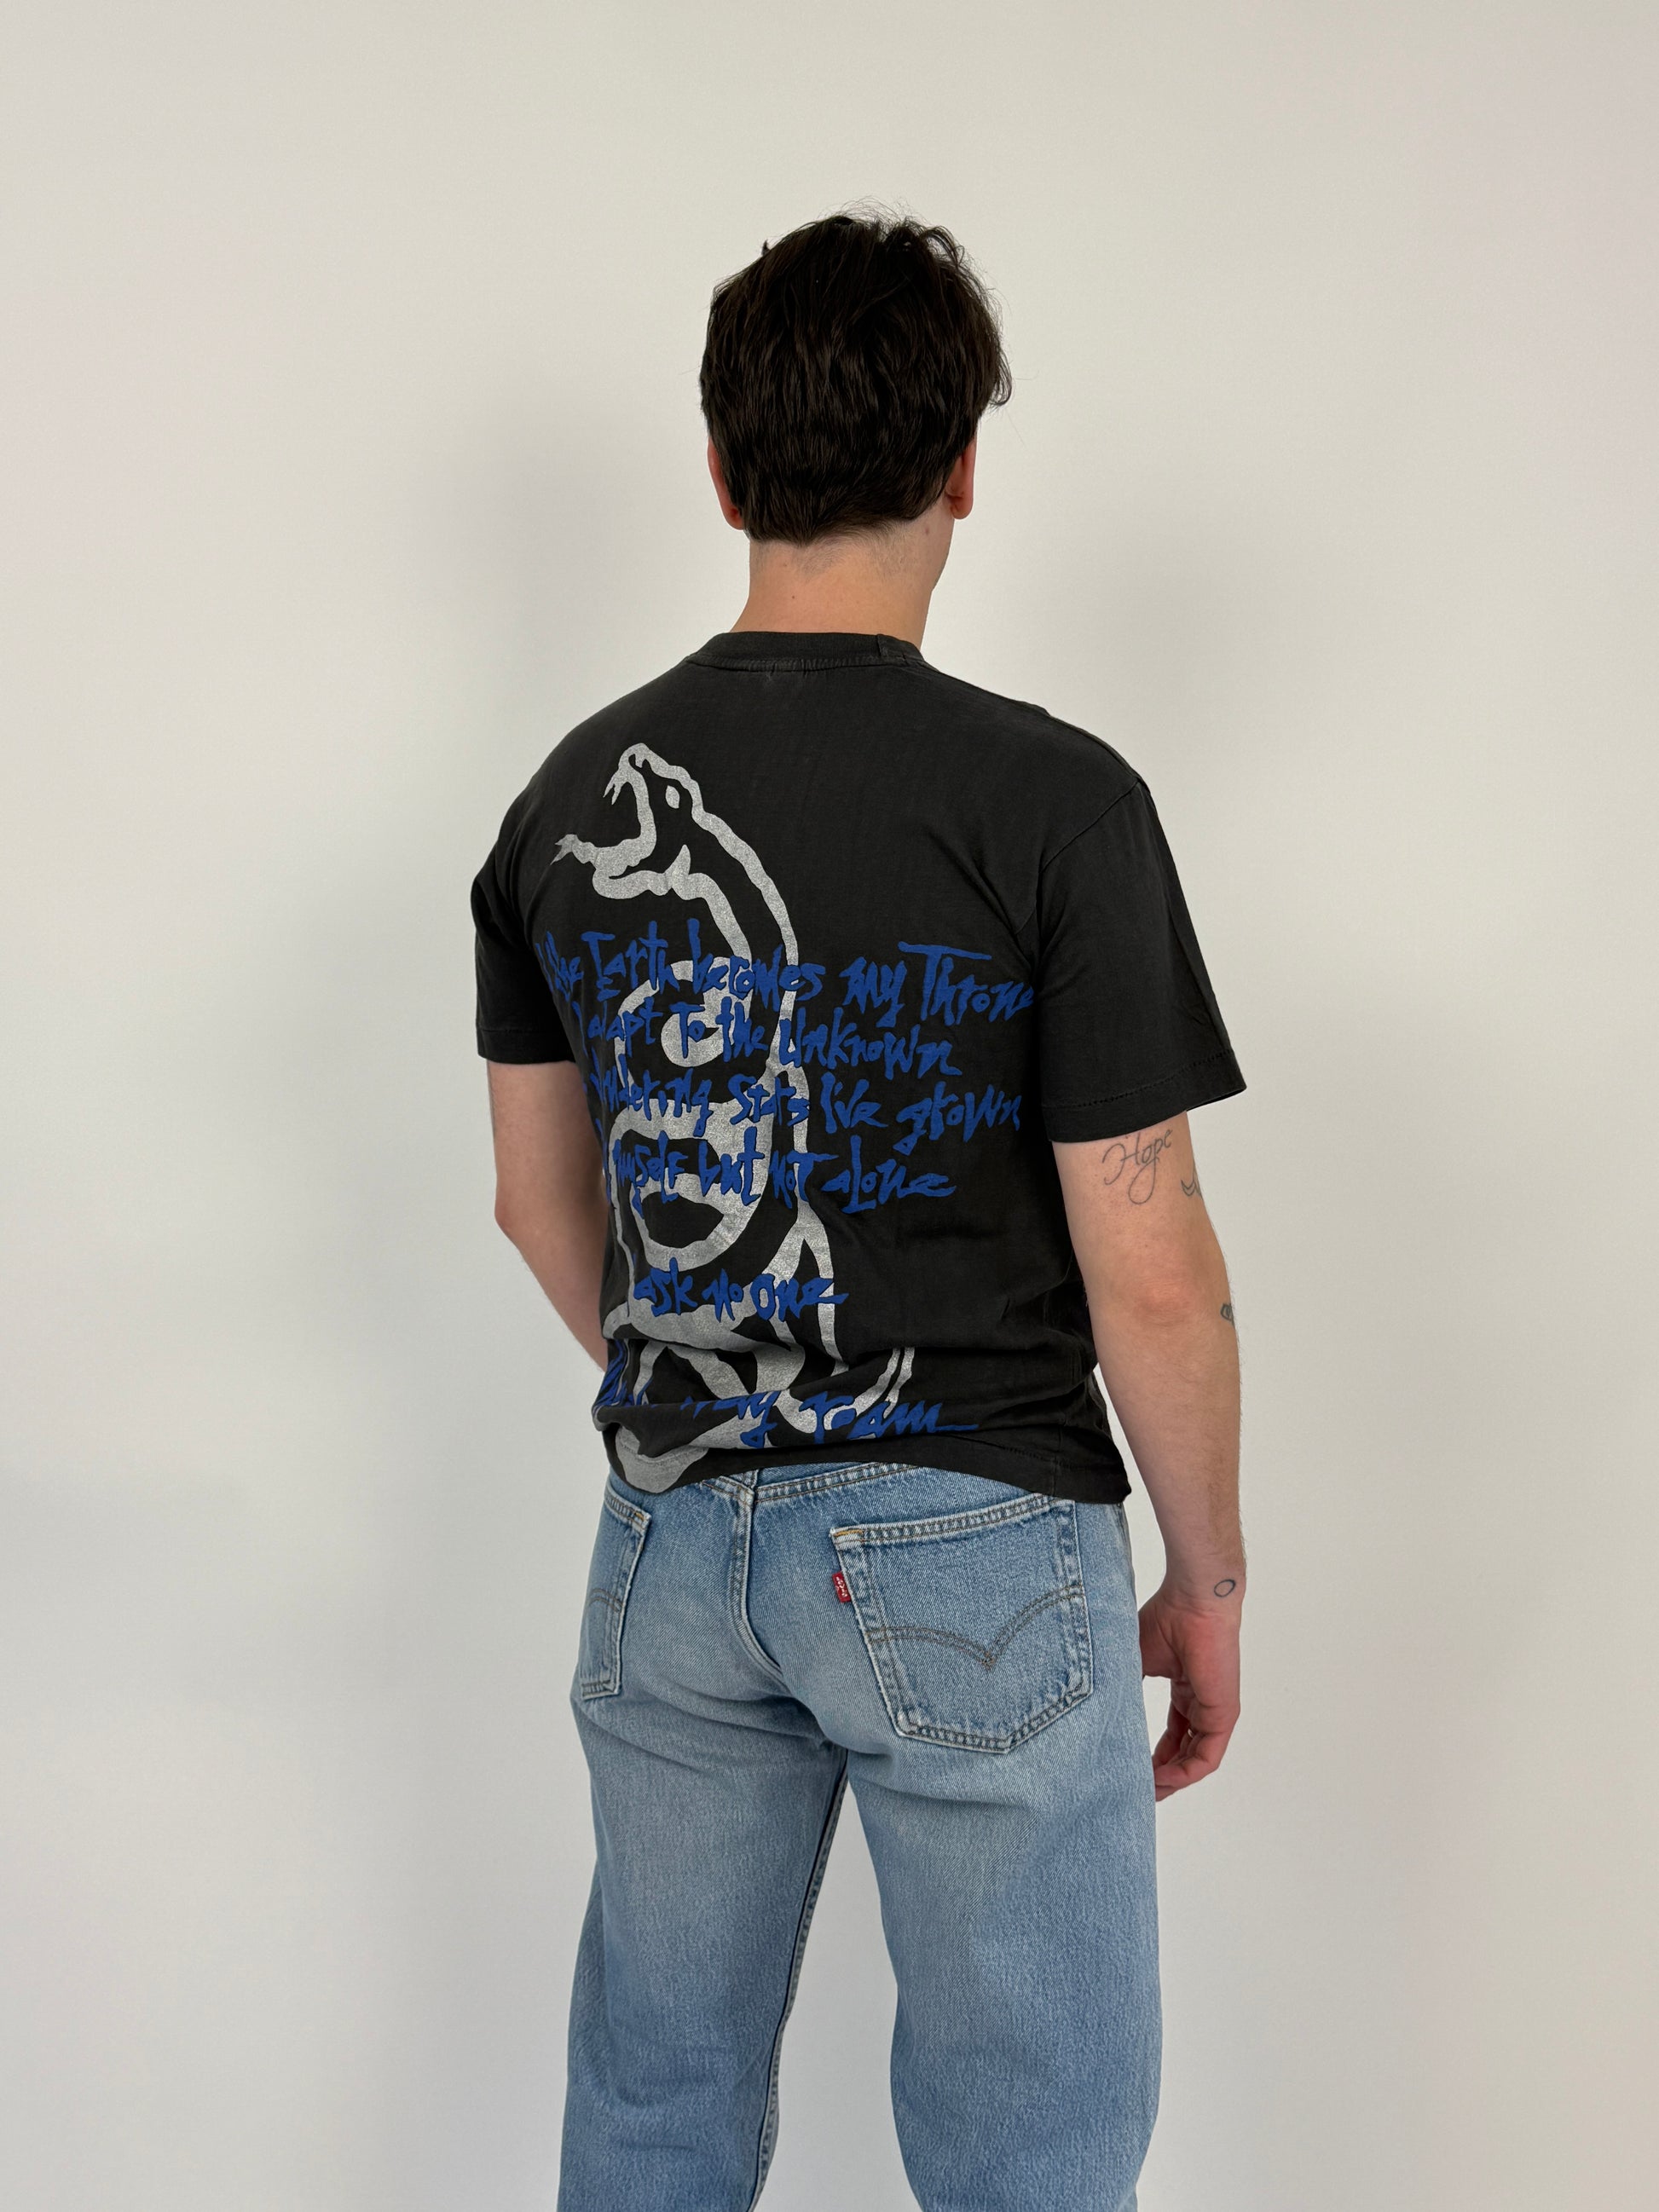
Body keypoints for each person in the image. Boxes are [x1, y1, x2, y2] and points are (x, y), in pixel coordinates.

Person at [471, 211, 1246, 2212]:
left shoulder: (566, 800)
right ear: (963, 466)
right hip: (977, 1538)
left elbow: (538, 1205)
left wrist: (725, 1370)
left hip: (670, 1534)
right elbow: (1150, 1265)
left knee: (653, 2102)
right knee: (1030, 2147)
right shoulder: (1054, 803)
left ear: (720, 466)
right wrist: (1207, 1573)